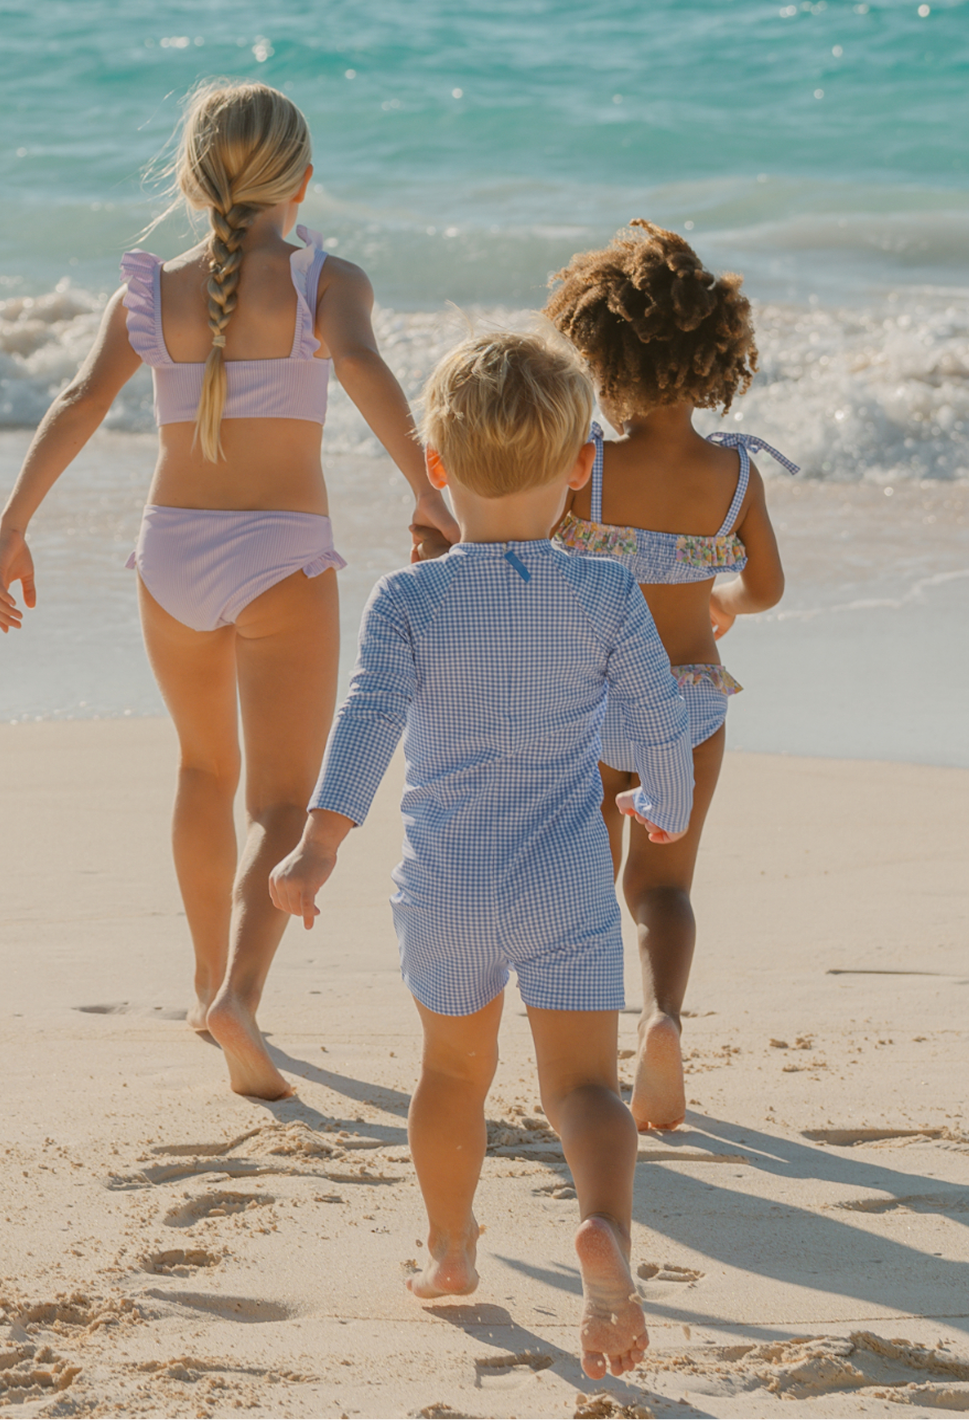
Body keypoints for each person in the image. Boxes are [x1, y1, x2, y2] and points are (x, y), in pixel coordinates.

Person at [0, 81, 457, 1102]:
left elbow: (76, 401)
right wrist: (428, 492)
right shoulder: (331, 284)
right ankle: (239, 992)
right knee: (281, 801)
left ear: (195, 179)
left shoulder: (149, 290)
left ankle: (203, 979)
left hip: (169, 557)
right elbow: (370, 376)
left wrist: (14, 525)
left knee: (202, 771)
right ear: (304, 178)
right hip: (281, 555)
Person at [270, 332, 693, 1380]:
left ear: (439, 467)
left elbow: (366, 721)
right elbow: (657, 707)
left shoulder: (406, 600)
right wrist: (662, 798)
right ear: (579, 465)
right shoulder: (602, 592)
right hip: (562, 874)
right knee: (584, 1089)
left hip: (447, 883)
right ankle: (606, 1234)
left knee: (452, 1073)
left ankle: (453, 1249)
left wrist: (317, 844)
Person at [545, 219, 795, 1131]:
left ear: (597, 355)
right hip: (687, 700)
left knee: (582, 878)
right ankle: (663, 1018)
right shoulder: (735, 477)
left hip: (591, 698)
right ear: (714, 356)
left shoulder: (590, 470)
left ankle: (587, 1059)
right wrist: (718, 594)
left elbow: (537, 557)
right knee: (663, 889)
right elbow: (764, 587)